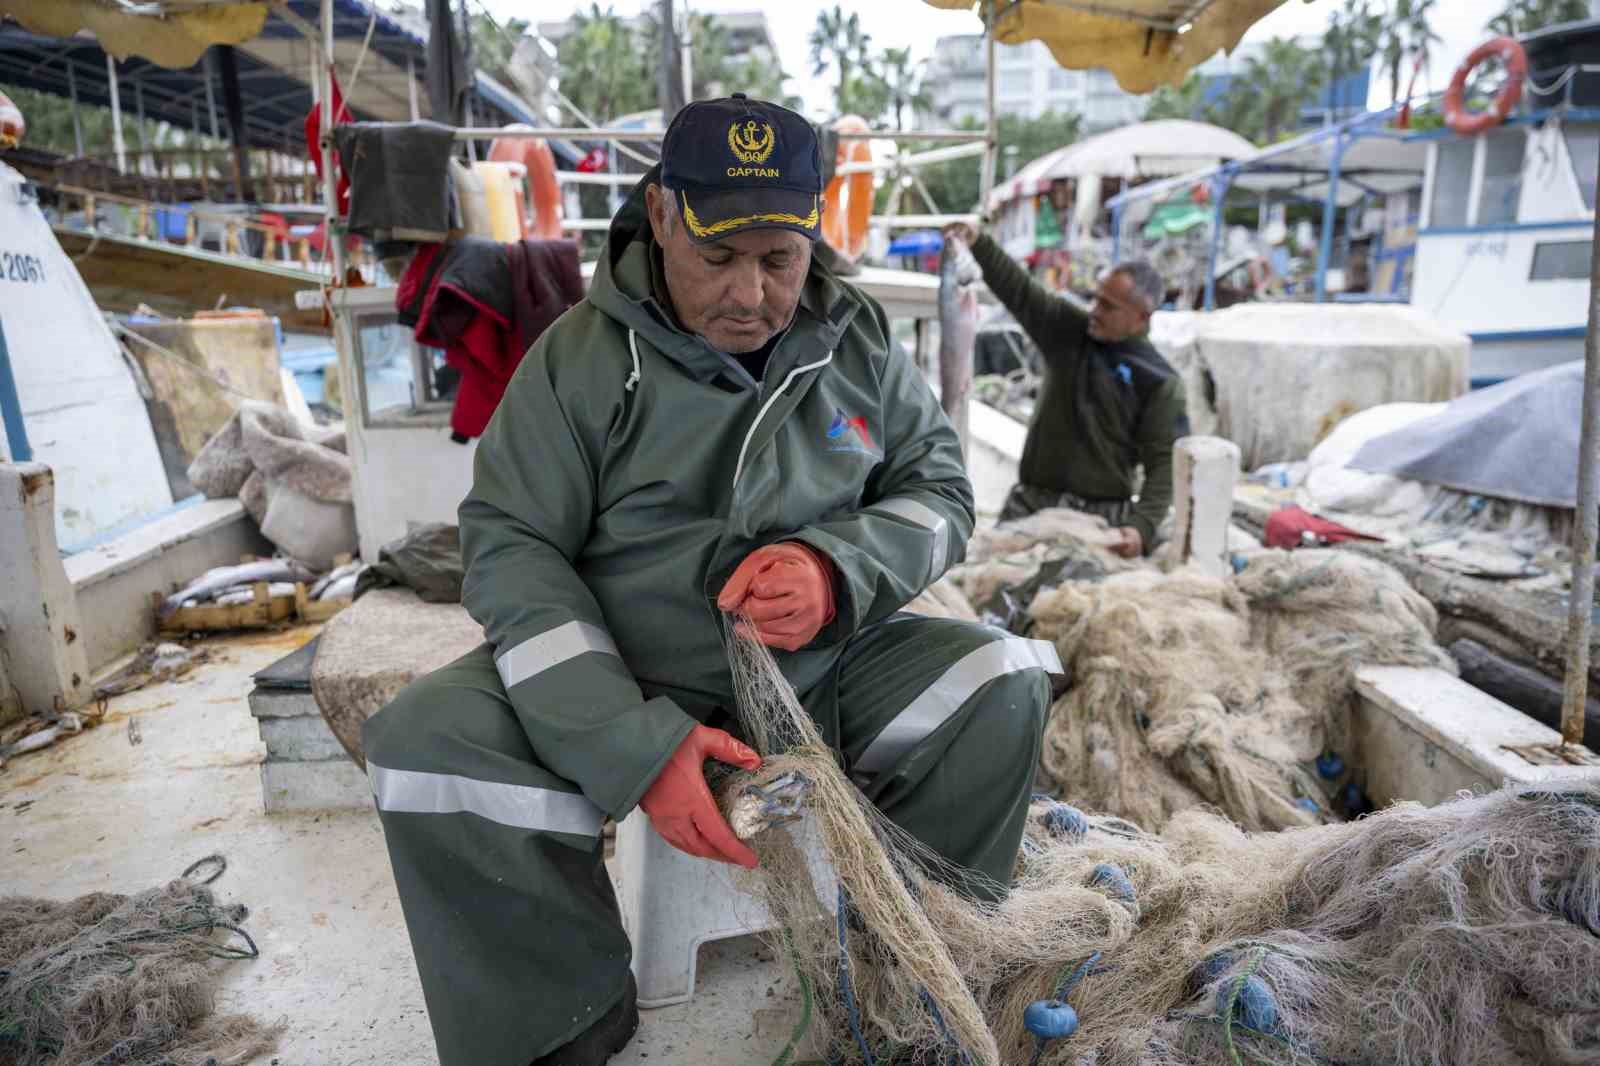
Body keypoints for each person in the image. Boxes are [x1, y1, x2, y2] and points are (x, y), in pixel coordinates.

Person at [364, 95, 1062, 1066]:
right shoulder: (577, 360)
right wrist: (630, 743)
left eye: (779, 259)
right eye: (717, 258)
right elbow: (512, 545)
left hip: (818, 673)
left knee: (1003, 678)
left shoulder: (856, 339)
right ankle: (560, 1018)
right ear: (659, 216)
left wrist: (836, 567)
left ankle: (916, 972)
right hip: (624, 669)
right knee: (426, 744)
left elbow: (940, 491)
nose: (750, 294)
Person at [944, 222, 1189, 558]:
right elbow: (1022, 292)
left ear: (1141, 317)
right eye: (1096, 300)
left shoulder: (1159, 381)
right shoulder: (1069, 332)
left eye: (1109, 307)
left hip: (1099, 516)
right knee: (983, 584)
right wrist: (978, 243)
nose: (1095, 312)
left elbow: (1163, 463)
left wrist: (1141, 527)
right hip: (1031, 502)